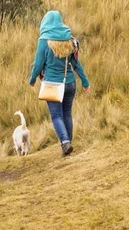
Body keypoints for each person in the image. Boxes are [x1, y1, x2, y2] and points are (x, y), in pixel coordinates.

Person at [29, 11, 90, 157]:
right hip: (69, 83)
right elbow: (76, 64)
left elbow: (38, 64)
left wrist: (32, 79)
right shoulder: (69, 39)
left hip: (52, 85)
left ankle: (65, 143)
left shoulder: (44, 41)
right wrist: (85, 81)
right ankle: (68, 145)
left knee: (56, 116)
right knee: (67, 114)